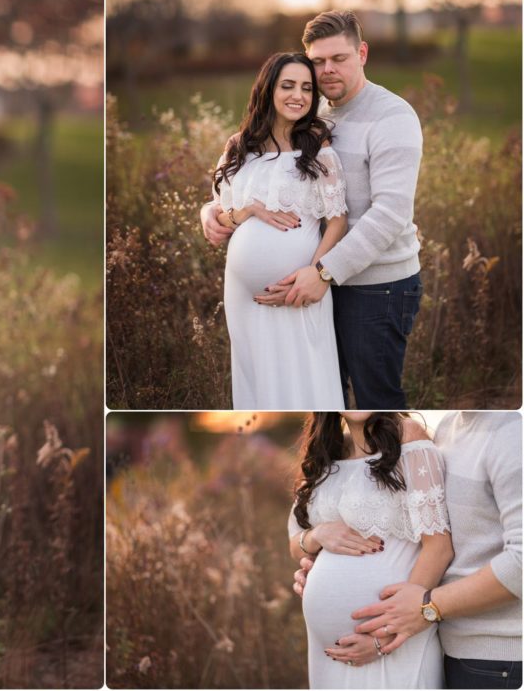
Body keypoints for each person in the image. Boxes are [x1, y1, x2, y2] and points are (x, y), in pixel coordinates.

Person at [202, 10, 423, 409]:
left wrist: (323, 272)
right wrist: (212, 211)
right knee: (321, 397)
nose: (327, 70)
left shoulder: (393, 117)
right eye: (318, 61)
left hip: (375, 285)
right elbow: (264, 179)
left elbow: (390, 214)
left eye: (339, 58)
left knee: (376, 400)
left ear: (362, 53)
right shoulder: (310, 116)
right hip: (313, 284)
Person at [210, 52, 347, 408]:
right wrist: (251, 210)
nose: (298, 96)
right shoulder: (239, 148)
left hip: (301, 291)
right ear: (268, 89)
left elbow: (337, 221)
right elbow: (221, 217)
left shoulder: (320, 150)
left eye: (306, 88)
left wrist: (315, 274)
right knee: (256, 383)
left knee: (306, 382)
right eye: (287, 86)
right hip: (244, 297)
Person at [349, 412, 522, 689]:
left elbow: (521, 563)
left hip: (502, 662)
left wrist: (428, 607)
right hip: (453, 651)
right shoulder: (449, 426)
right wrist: (317, 548)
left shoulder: (512, 435)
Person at [288, 412, 453, 688]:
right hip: (329, 658)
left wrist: (384, 637)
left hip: (396, 643)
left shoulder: (407, 436)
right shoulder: (325, 453)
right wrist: (318, 534)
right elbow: (295, 545)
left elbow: (439, 548)